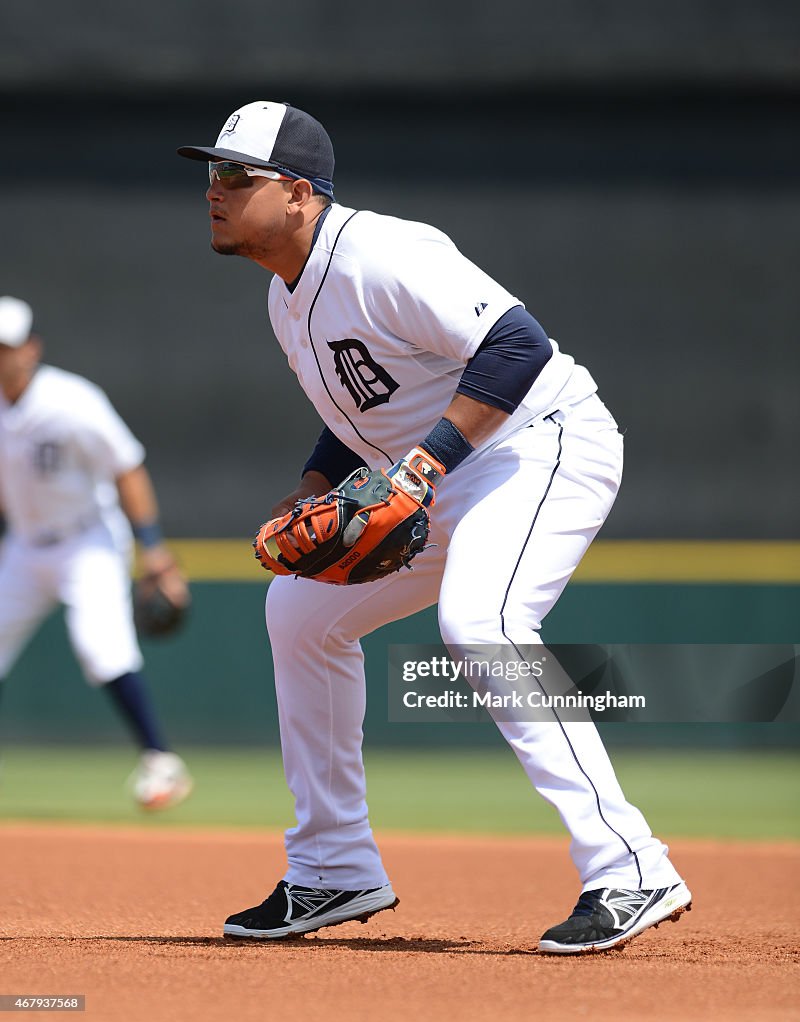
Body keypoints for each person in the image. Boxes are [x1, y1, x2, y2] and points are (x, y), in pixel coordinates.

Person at [177, 101, 691, 953]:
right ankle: (334, 868)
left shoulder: (382, 254)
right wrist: (311, 489)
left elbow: (517, 349)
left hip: (539, 442)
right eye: (212, 173)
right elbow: (358, 412)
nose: (215, 191)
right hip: (446, 472)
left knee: (483, 623)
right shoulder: (285, 296)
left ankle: (632, 865)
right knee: (298, 613)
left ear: (302, 194)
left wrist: (421, 470)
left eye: (238, 175)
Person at [0, 296, 193, 810]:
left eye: (8, 347)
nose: (2, 357)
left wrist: (155, 555)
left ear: (31, 349)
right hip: (22, 545)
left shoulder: (71, 401)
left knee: (101, 649)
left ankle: (162, 763)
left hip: (87, 542)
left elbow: (127, 468)